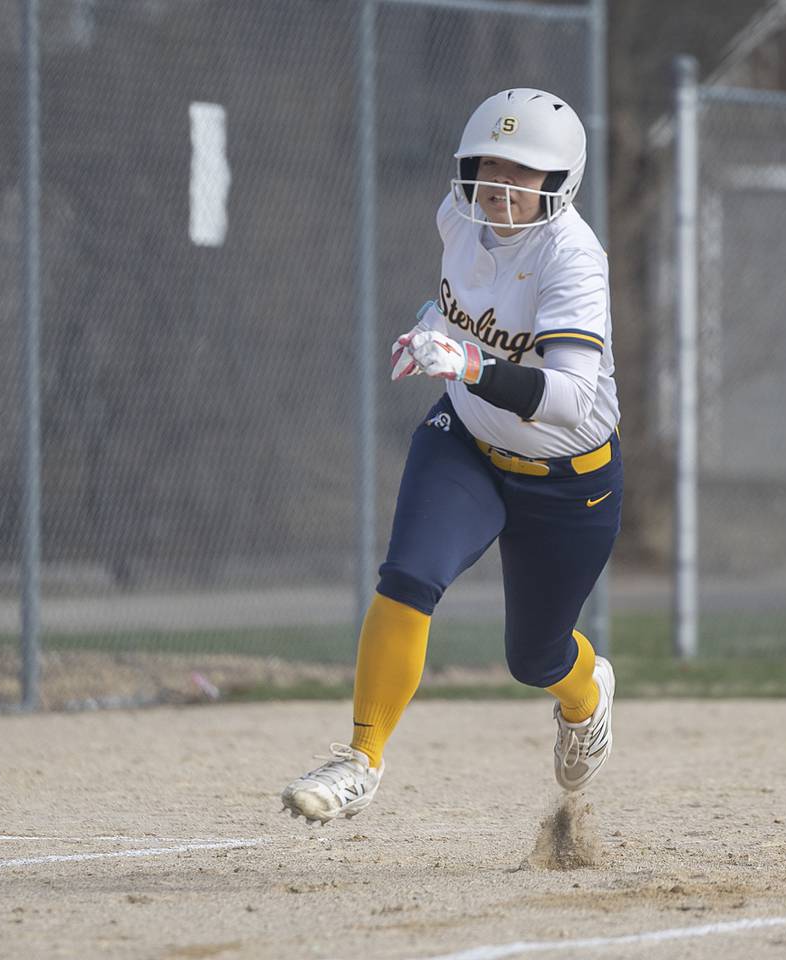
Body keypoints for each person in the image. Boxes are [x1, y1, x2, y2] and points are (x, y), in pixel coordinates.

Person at [280, 88, 622, 824]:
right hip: (466, 439)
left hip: (568, 479)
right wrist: (431, 327)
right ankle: (359, 759)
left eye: (522, 170)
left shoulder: (572, 258)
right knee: (409, 576)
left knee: (535, 656)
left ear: (560, 180)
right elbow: (466, 306)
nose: (500, 184)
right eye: (489, 165)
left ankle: (586, 696)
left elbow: (568, 398)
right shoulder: (456, 217)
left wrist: (467, 364)